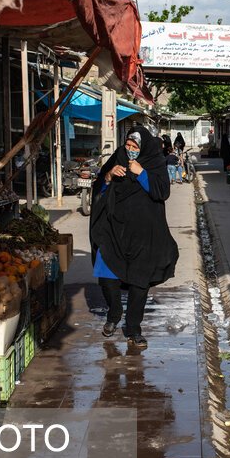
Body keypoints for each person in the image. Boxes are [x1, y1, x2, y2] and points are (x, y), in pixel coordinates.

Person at [89, 127, 179, 348]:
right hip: (114, 229)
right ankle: (114, 312)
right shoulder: (117, 157)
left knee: (140, 282)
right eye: (128, 146)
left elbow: (162, 192)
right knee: (107, 277)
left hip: (144, 234)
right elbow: (99, 188)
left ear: (144, 147)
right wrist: (109, 176)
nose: (129, 150)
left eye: (134, 147)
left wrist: (142, 173)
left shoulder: (155, 162)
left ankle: (133, 328)